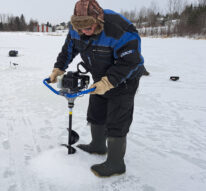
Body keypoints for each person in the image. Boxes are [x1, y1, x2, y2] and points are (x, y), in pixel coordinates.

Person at [49, 0, 145, 177]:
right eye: (79, 29)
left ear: (98, 21)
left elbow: (130, 61)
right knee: (96, 110)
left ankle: (116, 163)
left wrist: (108, 82)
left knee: (117, 118)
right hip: (99, 75)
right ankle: (98, 145)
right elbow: (68, 50)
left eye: (88, 28)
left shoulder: (119, 30)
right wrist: (59, 68)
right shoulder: (76, 28)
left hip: (125, 79)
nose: (83, 33)